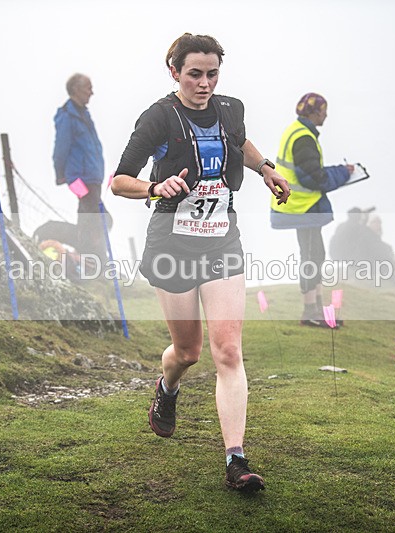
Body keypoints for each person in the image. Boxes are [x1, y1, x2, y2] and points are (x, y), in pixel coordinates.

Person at [110, 33, 290, 492]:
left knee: (228, 350)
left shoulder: (231, 109)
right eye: (195, 74)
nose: (204, 83)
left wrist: (266, 168)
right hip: (172, 240)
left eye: (212, 73)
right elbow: (119, 181)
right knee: (187, 352)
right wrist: (154, 187)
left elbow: (241, 142)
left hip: (220, 240)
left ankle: (236, 460)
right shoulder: (158, 116)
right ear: (175, 72)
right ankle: (166, 388)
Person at [270, 93, 353, 327]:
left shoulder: (298, 131)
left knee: (315, 255)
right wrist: (344, 174)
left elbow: (311, 170)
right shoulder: (304, 137)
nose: (326, 114)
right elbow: (314, 178)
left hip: (302, 206)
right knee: (310, 257)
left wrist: (339, 171)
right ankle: (310, 312)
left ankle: (316, 310)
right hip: (301, 207)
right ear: (314, 112)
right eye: (324, 110)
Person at [52, 73, 107, 265]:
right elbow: (61, 147)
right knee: (97, 217)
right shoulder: (67, 115)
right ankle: (93, 261)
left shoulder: (84, 113)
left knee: (89, 215)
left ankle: (92, 261)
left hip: (93, 176)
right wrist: (61, 175)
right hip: (78, 178)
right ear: (76, 89)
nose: (92, 92)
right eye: (88, 88)